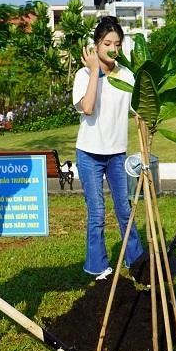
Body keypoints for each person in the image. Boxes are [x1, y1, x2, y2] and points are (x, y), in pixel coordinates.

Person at [72, 16, 144, 279]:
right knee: (97, 213)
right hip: (89, 154)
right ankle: (97, 266)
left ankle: (136, 262)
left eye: (117, 44)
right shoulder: (83, 75)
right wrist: (94, 72)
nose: (112, 49)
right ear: (96, 46)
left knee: (125, 210)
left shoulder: (127, 76)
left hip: (117, 155)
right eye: (106, 43)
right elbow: (88, 108)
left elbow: (140, 112)